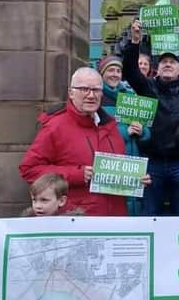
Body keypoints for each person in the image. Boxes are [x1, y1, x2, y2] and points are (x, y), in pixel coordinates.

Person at [16, 173, 109, 300]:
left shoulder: (74, 227)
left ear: (62, 201)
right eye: (34, 200)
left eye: (44, 200)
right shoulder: (21, 226)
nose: (38, 206)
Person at [19, 67, 130, 216]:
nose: (91, 95)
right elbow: (29, 169)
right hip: (77, 219)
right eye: (84, 89)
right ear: (71, 93)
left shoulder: (110, 126)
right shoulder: (55, 127)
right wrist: (75, 174)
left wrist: (134, 179)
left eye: (96, 90)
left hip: (114, 218)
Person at [122, 20, 179, 215]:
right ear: (158, 67)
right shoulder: (148, 87)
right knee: (150, 212)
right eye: (164, 62)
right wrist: (135, 41)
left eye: (172, 62)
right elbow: (130, 72)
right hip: (153, 161)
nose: (168, 65)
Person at [97, 55, 152, 216]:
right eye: (110, 70)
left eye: (118, 71)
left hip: (132, 161)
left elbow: (147, 131)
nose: (115, 74)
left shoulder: (130, 96)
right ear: (102, 74)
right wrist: (125, 133)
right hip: (110, 164)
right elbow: (95, 132)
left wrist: (142, 132)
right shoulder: (96, 98)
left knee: (132, 208)